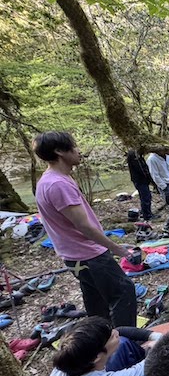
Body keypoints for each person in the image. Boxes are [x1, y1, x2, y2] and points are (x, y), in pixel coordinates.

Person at [33, 132, 136, 327]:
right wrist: (116, 249)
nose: (78, 151)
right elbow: (84, 226)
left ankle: (101, 337)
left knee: (96, 299)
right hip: (89, 254)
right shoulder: (58, 184)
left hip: (75, 255)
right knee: (124, 292)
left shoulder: (51, 180)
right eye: (74, 147)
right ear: (59, 151)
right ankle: (127, 340)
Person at [146, 151, 169, 232]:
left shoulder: (168, 156)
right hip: (166, 184)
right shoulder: (152, 159)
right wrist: (164, 187)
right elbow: (155, 175)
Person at [126, 150, 155, 221]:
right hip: (140, 180)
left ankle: (145, 212)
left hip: (139, 180)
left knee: (145, 197)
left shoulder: (136, 153)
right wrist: (149, 178)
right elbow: (141, 168)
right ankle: (147, 216)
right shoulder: (134, 154)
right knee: (146, 197)